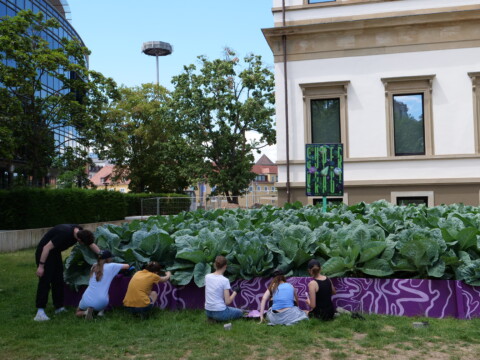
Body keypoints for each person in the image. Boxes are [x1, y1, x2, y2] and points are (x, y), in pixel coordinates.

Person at [34, 224, 100, 321]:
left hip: (55, 253)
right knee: (45, 281)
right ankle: (40, 312)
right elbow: (46, 248)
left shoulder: (80, 232)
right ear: (79, 240)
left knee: (58, 280)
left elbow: (91, 244)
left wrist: (102, 254)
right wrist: (41, 266)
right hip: (44, 254)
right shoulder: (63, 234)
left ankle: (59, 307)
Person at [76, 250, 129, 320]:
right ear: (108, 259)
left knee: (77, 312)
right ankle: (100, 312)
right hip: (102, 301)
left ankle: (86, 312)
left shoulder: (94, 266)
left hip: (86, 298)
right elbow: (127, 266)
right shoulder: (112, 266)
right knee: (105, 292)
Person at [205, 255, 243, 322]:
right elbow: (227, 302)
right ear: (225, 266)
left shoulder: (207, 277)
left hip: (208, 311)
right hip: (220, 312)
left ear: (215, 265)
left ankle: (213, 319)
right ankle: (218, 319)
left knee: (229, 309)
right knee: (240, 312)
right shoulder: (224, 280)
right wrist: (235, 292)